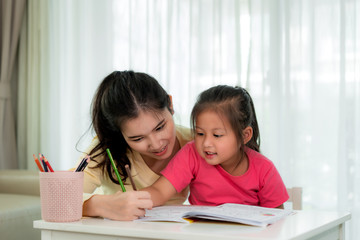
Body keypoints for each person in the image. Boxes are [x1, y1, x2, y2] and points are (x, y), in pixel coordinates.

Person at [71, 70, 192, 220]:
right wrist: (101, 205)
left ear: (170, 105)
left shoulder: (197, 142)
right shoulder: (106, 149)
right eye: (138, 138)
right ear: (119, 133)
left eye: (160, 127)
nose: (156, 144)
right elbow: (60, 198)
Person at [143, 85, 289, 208]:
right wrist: (133, 201)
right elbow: (160, 191)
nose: (206, 143)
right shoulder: (191, 153)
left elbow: (276, 219)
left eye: (217, 135)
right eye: (200, 133)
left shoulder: (264, 169)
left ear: (245, 136)